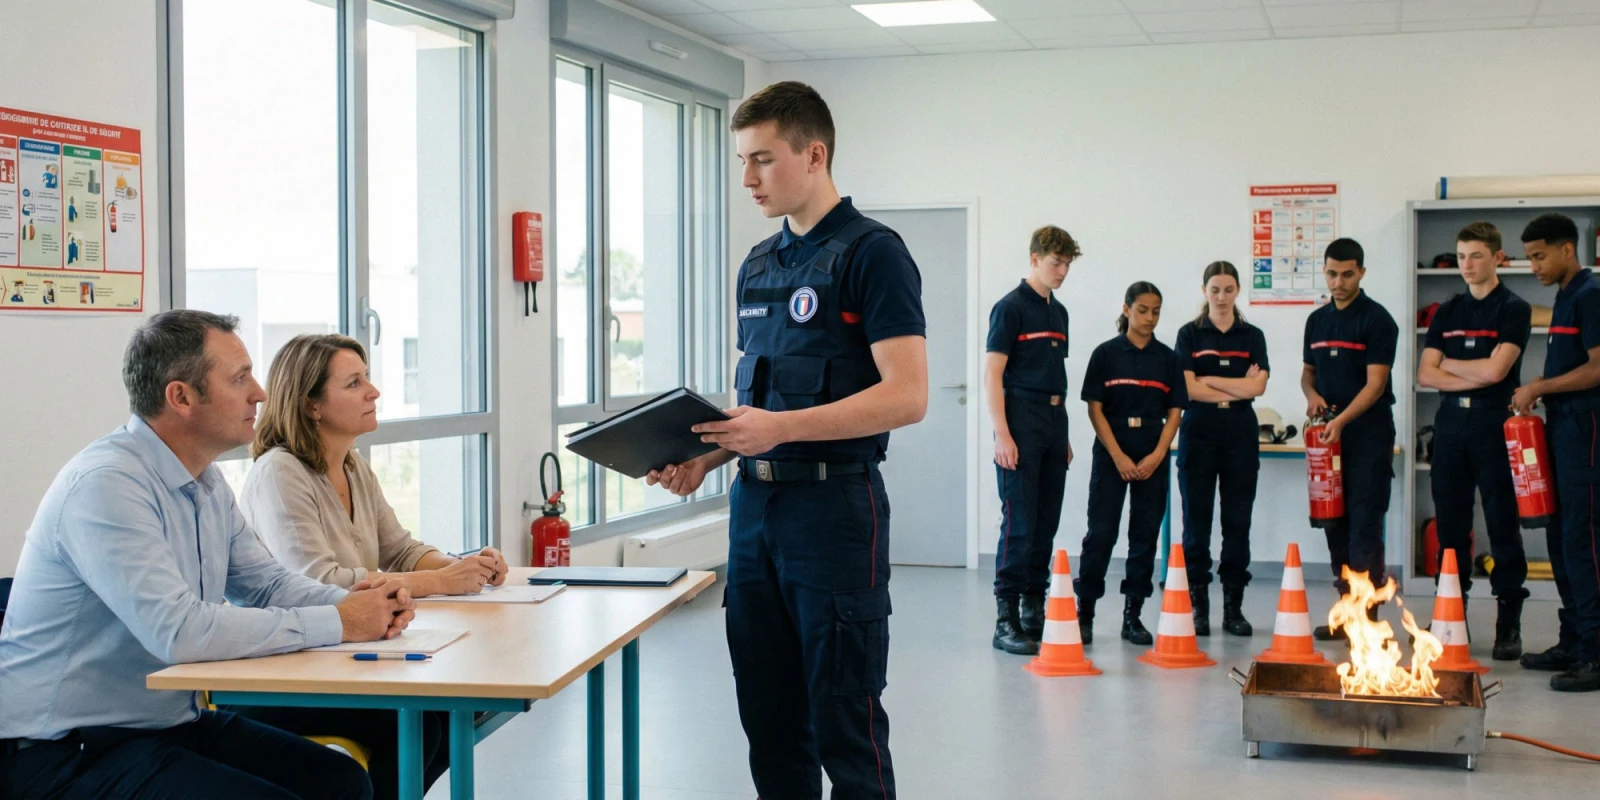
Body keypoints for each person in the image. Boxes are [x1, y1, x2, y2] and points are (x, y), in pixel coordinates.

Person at [0, 309, 415, 800]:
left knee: (342, 783)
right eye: (239, 378)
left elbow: (266, 585)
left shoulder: (205, 480)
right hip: (67, 752)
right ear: (181, 397)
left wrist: (359, 603)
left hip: (167, 725)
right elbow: (179, 631)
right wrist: (342, 622)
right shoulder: (107, 485)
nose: (259, 393)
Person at [645, 81, 926, 799]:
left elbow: (907, 395)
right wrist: (708, 454)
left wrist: (780, 429)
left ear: (815, 154)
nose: (747, 179)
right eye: (743, 161)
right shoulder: (759, 264)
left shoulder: (873, 255)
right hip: (755, 515)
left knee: (845, 719)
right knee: (769, 720)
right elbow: (760, 405)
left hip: (833, 516)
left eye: (762, 160)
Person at [235, 333, 511, 797]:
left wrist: (467, 566)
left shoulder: (353, 465)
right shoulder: (279, 472)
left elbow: (400, 550)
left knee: (439, 712)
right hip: (286, 670)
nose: (374, 392)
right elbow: (319, 581)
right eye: (355, 383)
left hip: (340, 657)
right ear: (312, 406)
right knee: (418, 719)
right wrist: (441, 579)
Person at [1416, 222, 1531, 661]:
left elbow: (1497, 373)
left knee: (1502, 523)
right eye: (1461, 255)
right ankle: (1451, 616)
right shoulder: (1446, 311)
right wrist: (1477, 369)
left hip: (1494, 426)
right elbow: (1426, 374)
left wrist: (1455, 366)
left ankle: (1508, 623)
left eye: (1476, 255)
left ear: (1498, 258)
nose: (1466, 264)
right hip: (1450, 428)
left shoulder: (1513, 309)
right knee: (1450, 525)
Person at [1510, 212, 1600, 692]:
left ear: (1569, 250)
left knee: (1583, 540)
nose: (1535, 266)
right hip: (1562, 429)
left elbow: (1597, 368)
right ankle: (1573, 640)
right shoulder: (1564, 298)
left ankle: (1594, 651)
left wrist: (1540, 386)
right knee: (1563, 539)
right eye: (1529, 258)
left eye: (1540, 256)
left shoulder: (1590, 296)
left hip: (1587, 428)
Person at [984, 225, 1078, 655]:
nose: (1062, 271)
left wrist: (1066, 435)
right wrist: (1002, 434)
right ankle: (1004, 620)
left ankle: (1032, 610)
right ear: (1035, 258)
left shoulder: (1059, 314)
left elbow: (1057, 375)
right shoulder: (1010, 309)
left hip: (1054, 420)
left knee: (1046, 521)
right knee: (1019, 522)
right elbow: (993, 375)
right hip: (1019, 417)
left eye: (1067, 263)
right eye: (1056, 262)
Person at [1075, 282, 1185, 646]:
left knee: (1144, 536)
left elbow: (1175, 411)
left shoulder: (1168, 358)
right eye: (1143, 310)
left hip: (1152, 451)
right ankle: (1084, 613)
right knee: (1101, 534)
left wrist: (1158, 455)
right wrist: (1118, 455)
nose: (1150, 318)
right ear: (1126, 310)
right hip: (1112, 453)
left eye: (1156, 311)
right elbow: (1095, 408)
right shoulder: (1105, 354)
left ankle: (1133, 616)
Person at [1301, 238, 1399, 640]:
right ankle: (1346, 615)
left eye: (1347, 274)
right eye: (1331, 273)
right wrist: (1313, 398)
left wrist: (1341, 420)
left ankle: (1368, 620)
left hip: (1366, 436)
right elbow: (1308, 374)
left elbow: (1375, 386)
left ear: (1361, 272)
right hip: (1329, 435)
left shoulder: (1377, 320)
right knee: (1333, 524)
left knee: (1363, 527)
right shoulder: (1317, 320)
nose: (1338, 282)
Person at [1175, 262, 1268, 637]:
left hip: (1241, 431)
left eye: (1228, 289)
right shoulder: (1189, 334)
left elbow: (1257, 389)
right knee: (1195, 523)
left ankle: (1233, 609)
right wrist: (1234, 384)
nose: (1222, 297)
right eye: (1215, 289)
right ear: (1204, 291)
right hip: (1199, 429)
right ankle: (1199, 608)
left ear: (1238, 290)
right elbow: (1188, 390)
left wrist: (1208, 378)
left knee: (1237, 522)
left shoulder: (1252, 335)